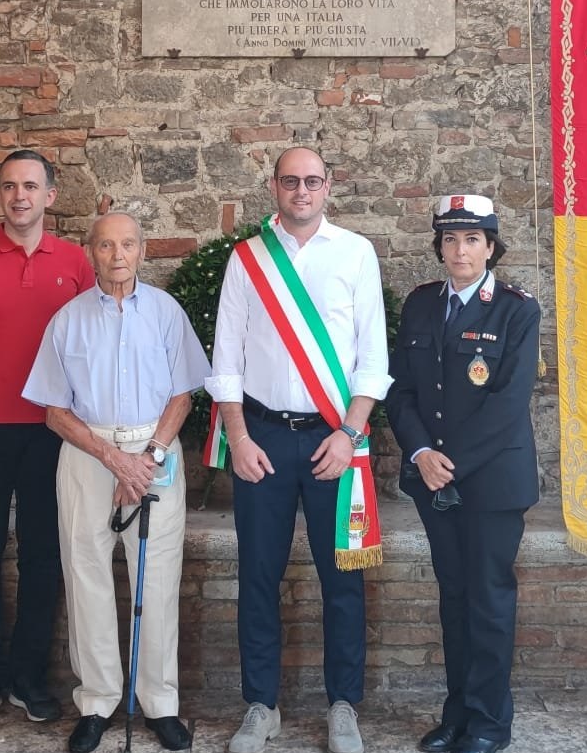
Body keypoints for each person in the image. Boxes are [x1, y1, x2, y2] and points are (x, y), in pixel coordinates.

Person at [209, 146, 391, 753]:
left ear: (329, 186)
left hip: (333, 440)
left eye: (313, 181)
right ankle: (261, 705)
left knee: (343, 578)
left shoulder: (356, 253)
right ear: (274, 187)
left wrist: (350, 433)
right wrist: (237, 437)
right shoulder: (247, 258)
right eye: (291, 181)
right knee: (258, 575)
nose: (302, 191)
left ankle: (343, 705)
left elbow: (374, 358)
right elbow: (226, 357)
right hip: (260, 439)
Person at [22, 212, 210, 753]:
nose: (117, 255)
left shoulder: (166, 312)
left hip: (155, 453)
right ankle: (98, 701)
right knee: (87, 576)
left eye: (127, 244)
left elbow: (182, 396)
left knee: (157, 579)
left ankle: (160, 703)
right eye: (106, 245)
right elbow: (54, 411)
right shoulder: (68, 319)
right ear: (92, 253)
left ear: (142, 251)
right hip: (89, 455)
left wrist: (145, 459)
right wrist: (112, 458)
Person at [0, 149, 93, 731]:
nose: (19, 196)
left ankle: (29, 676)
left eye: (30, 186)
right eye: (9, 186)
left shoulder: (76, 262)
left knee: (41, 554)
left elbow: (88, 348)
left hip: (50, 431)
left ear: (49, 195)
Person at [386, 194, 539, 753]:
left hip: (492, 481)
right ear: (440, 247)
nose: (460, 250)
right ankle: (456, 714)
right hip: (433, 478)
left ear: (491, 247)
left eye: (472, 239)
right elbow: (401, 389)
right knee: (453, 597)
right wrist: (421, 453)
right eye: (450, 239)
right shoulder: (422, 304)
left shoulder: (517, 310)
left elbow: (508, 402)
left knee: (488, 599)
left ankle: (489, 723)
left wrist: (448, 463)